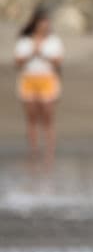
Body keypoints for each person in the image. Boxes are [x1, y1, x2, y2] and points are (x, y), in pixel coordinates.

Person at [13, 9, 64, 159]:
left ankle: (49, 149)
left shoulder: (53, 40)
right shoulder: (25, 40)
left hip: (47, 78)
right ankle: (33, 148)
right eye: (42, 23)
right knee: (31, 117)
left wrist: (42, 52)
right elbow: (17, 61)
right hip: (29, 78)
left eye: (46, 23)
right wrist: (32, 52)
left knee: (48, 116)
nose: (45, 26)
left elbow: (58, 61)